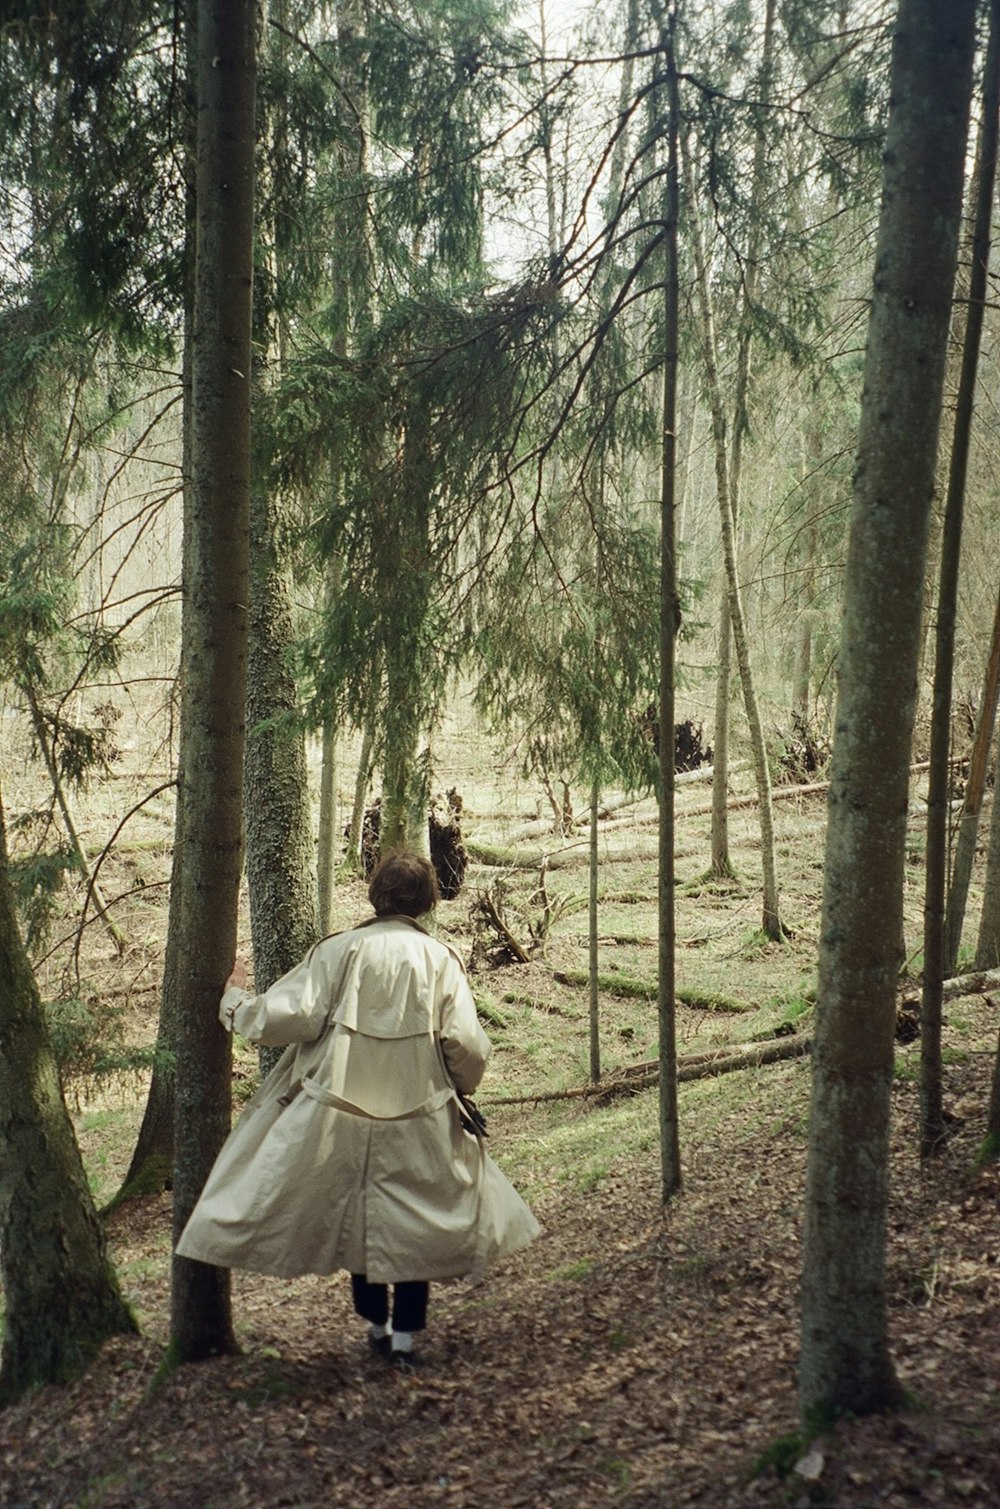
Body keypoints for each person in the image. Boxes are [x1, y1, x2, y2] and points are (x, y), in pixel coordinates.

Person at [175, 848, 540, 1370]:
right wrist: (462, 1085)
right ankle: (405, 1343)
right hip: (422, 1116)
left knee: (361, 1224)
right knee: (413, 1226)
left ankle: (376, 1327)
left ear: (377, 894)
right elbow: (467, 1045)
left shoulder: (338, 951)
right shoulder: (441, 960)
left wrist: (234, 1002)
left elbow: (285, 1016)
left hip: (336, 1116)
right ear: (427, 901)